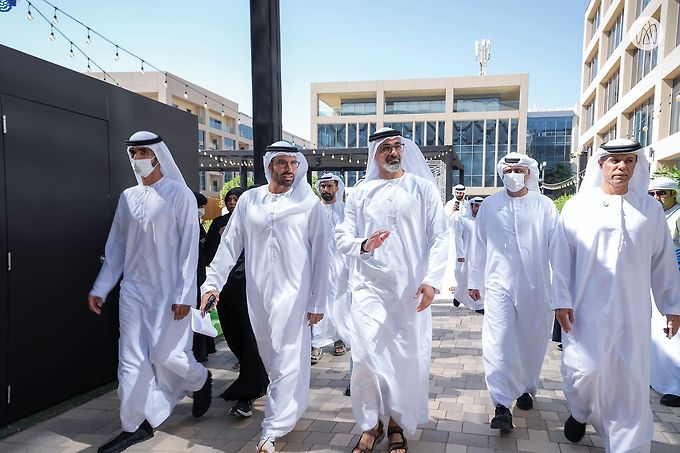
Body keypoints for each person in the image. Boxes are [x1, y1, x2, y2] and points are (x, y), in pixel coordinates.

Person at [201, 141, 330, 453]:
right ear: (270, 165)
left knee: (286, 357)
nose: (289, 169)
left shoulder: (309, 204)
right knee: (272, 359)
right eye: (282, 163)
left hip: (295, 293)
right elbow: (230, 245)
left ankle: (270, 429)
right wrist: (212, 284)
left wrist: (318, 301)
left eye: (293, 163)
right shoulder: (249, 200)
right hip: (257, 294)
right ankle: (291, 408)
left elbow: (324, 255)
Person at [87, 131, 212, 453]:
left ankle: (199, 379)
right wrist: (102, 286)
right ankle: (134, 425)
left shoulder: (179, 194)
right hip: (133, 292)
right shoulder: (128, 197)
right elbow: (116, 244)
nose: (139, 158)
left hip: (170, 293)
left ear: (158, 155)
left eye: (144, 152)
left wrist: (185, 294)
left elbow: (189, 250)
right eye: (134, 153)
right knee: (129, 360)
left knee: (164, 355)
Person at [554, 139, 680, 452]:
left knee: (630, 383)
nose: (621, 167)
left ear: (636, 166)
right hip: (584, 311)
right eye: (614, 161)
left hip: (633, 314)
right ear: (601, 165)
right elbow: (560, 258)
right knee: (585, 372)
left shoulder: (649, 210)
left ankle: (628, 445)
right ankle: (580, 411)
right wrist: (560, 300)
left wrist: (672, 305)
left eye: (628, 161)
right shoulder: (577, 207)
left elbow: (663, 261)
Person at [335, 127, 449, 453]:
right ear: (374, 154)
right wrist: (364, 244)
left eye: (397, 146)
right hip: (368, 288)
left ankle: (397, 423)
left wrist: (431, 280)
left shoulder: (422, 189)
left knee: (404, 360)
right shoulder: (359, 193)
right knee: (366, 358)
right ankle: (371, 425)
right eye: (386, 147)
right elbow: (342, 236)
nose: (393, 152)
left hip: (409, 292)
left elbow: (440, 236)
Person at [468, 152, 568, 431]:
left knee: (530, 341)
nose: (514, 174)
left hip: (536, 286)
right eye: (509, 169)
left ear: (529, 173)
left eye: (519, 169)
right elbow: (478, 244)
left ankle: (525, 386)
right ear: (502, 173)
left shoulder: (544, 205)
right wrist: (473, 281)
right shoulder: (490, 205)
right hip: (498, 284)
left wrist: (562, 295)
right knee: (498, 341)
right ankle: (501, 403)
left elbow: (558, 251)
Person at [205, 186, 269, 419]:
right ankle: (255, 379)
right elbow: (213, 255)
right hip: (227, 289)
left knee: (253, 340)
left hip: (254, 291)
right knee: (233, 334)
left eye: (237, 199)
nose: (233, 203)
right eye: (230, 199)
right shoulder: (220, 223)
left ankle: (247, 393)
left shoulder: (262, 224)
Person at [648, 176, 680, 407]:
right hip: (654, 280)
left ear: (674, 195)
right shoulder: (653, 214)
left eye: (661, 193)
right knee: (658, 334)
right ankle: (659, 380)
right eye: (652, 194)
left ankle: (676, 387)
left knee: (674, 336)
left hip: (675, 281)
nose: (657, 198)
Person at [311, 173, 347, 364]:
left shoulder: (346, 210)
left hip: (342, 265)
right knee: (320, 302)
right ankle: (317, 343)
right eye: (322, 186)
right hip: (320, 264)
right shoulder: (314, 210)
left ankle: (339, 339)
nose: (325, 190)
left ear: (337, 187)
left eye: (329, 186)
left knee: (341, 302)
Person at [453, 196, 484, 314]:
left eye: (481, 206)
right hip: (467, 254)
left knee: (478, 278)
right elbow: (458, 238)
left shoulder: (484, 221)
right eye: (476, 206)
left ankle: (477, 304)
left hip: (481, 255)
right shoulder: (463, 220)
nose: (478, 209)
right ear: (471, 206)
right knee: (466, 276)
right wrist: (460, 254)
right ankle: (460, 296)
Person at [192, 191, 212, 363]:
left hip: (199, 274)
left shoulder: (196, 225)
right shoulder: (189, 224)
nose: (201, 210)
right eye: (199, 207)